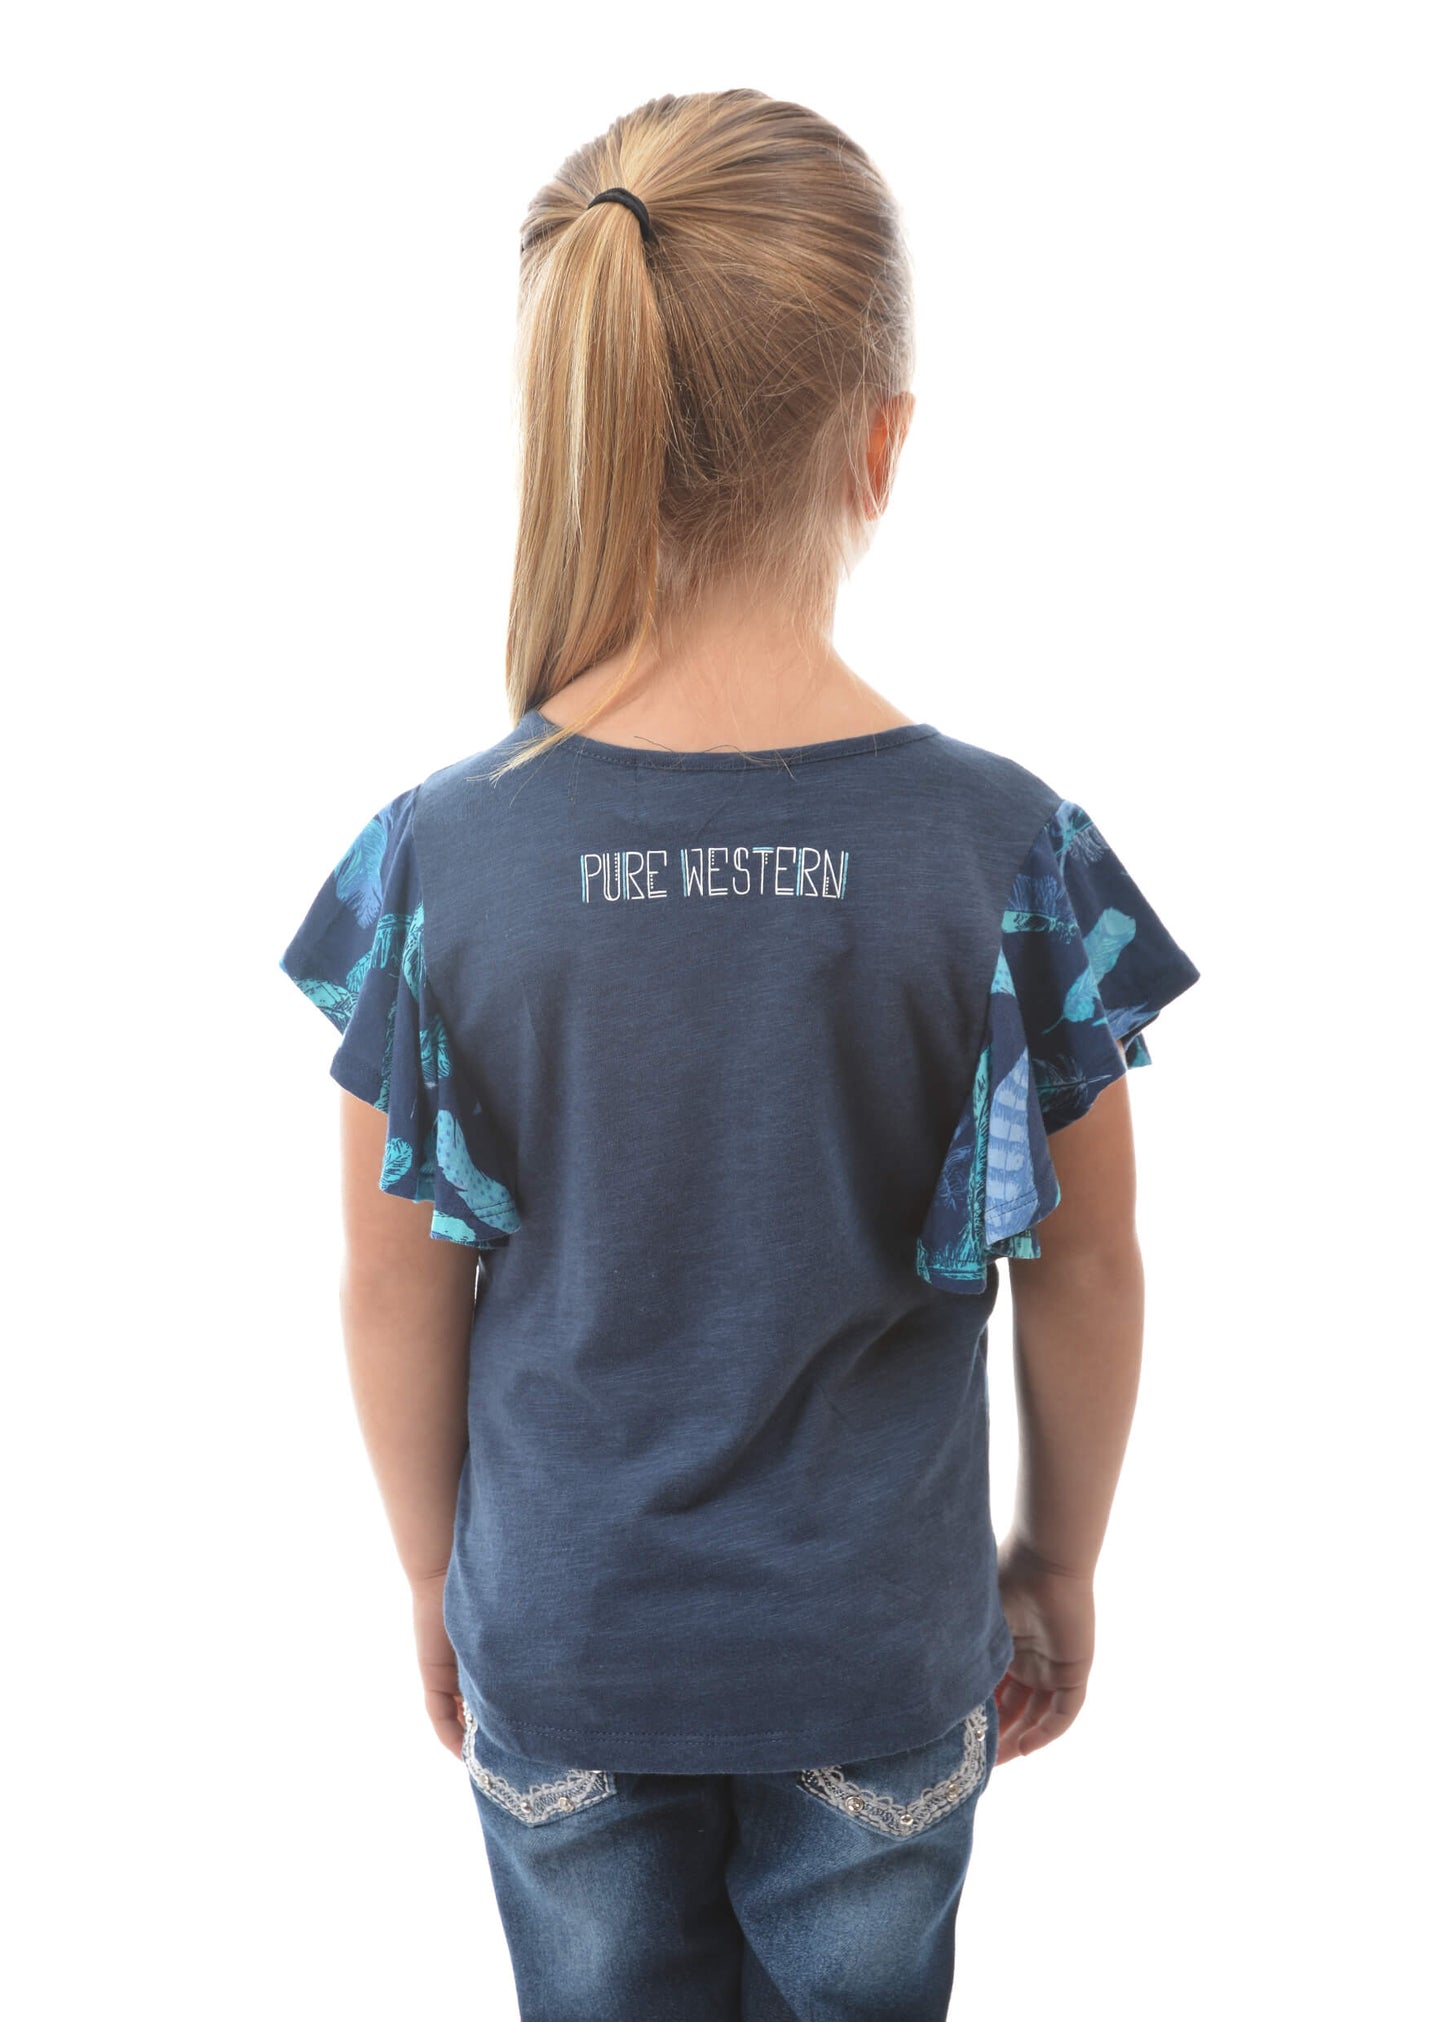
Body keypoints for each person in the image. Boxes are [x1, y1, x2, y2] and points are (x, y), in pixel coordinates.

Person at [279, 88, 1202, 2022]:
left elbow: (389, 1276)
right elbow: (1092, 1264)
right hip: (877, 1656)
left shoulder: (435, 861)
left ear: (585, 419)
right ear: (879, 443)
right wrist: (1056, 1563)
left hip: (564, 1648)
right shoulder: (1008, 855)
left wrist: (434, 1573)